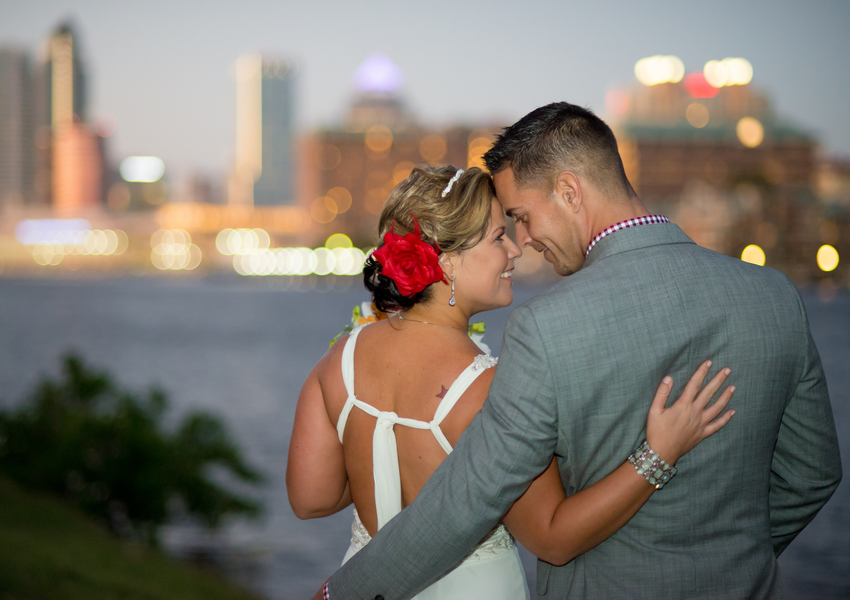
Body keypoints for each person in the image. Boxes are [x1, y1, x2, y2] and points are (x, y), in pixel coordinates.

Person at [315, 103, 843, 600]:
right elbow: (813, 474)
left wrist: (345, 591)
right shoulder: (775, 297)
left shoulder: (546, 327)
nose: (524, 241)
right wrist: (732, 556)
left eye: (521, 216)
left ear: (569, 191)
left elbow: (465, 501)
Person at [289, 164, 736, 599]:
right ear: (445, 263)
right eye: (498, 237)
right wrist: (658, 454)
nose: (515, 251)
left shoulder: (339, 360)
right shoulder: (490, 390)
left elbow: (311, 499)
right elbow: (553, 537)